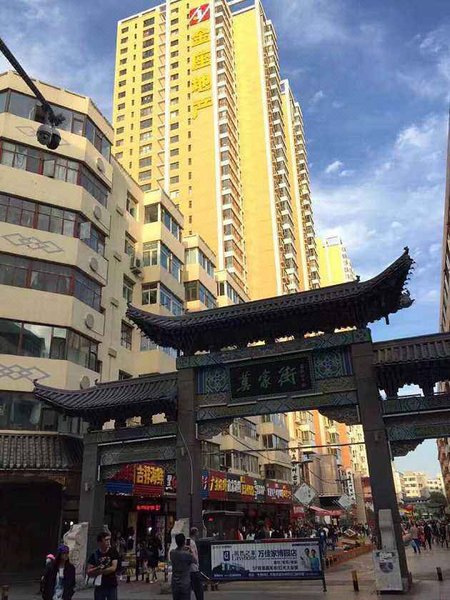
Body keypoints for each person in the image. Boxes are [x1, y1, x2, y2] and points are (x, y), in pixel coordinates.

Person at [87, 531, 120, 600]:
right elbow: (89, 571)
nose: (108, 542)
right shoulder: (95, 554)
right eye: (106, 540)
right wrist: (100, 570)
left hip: (111, 584)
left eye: (109, 540)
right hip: (99, 585)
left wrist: (99, 571)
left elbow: (113, 568)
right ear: (100, 542)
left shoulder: (113, 551)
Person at [170, 533, 195, 600]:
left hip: (175, 583)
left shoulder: (172, 553)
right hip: (185, 584)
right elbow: (195, 560)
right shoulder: (187, 554)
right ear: (184, 542)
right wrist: (190, 550)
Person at [189, 527, 204, 600]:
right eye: (197, 532)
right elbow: (192, 554)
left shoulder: (192, 542)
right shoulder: (191, 542)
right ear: (195, 533)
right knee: (199, 589)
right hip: (194, 569)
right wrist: (195, 561)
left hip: (193, 568)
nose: (198, 533)